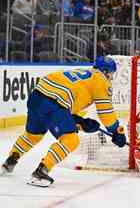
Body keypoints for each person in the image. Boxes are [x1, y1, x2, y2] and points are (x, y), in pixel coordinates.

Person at [0, 56, 126, 187]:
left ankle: (11, 160)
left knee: (33, 135)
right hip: (53, 104)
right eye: (111, 73)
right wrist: (116, 131)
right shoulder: (101, 81)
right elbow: (106, 112)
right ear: (105, 71)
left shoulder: (84, 72)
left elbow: (67, 102)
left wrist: (81, 122)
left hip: (36, 96)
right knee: (71, 140)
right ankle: (41, 171)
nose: (111, 77)